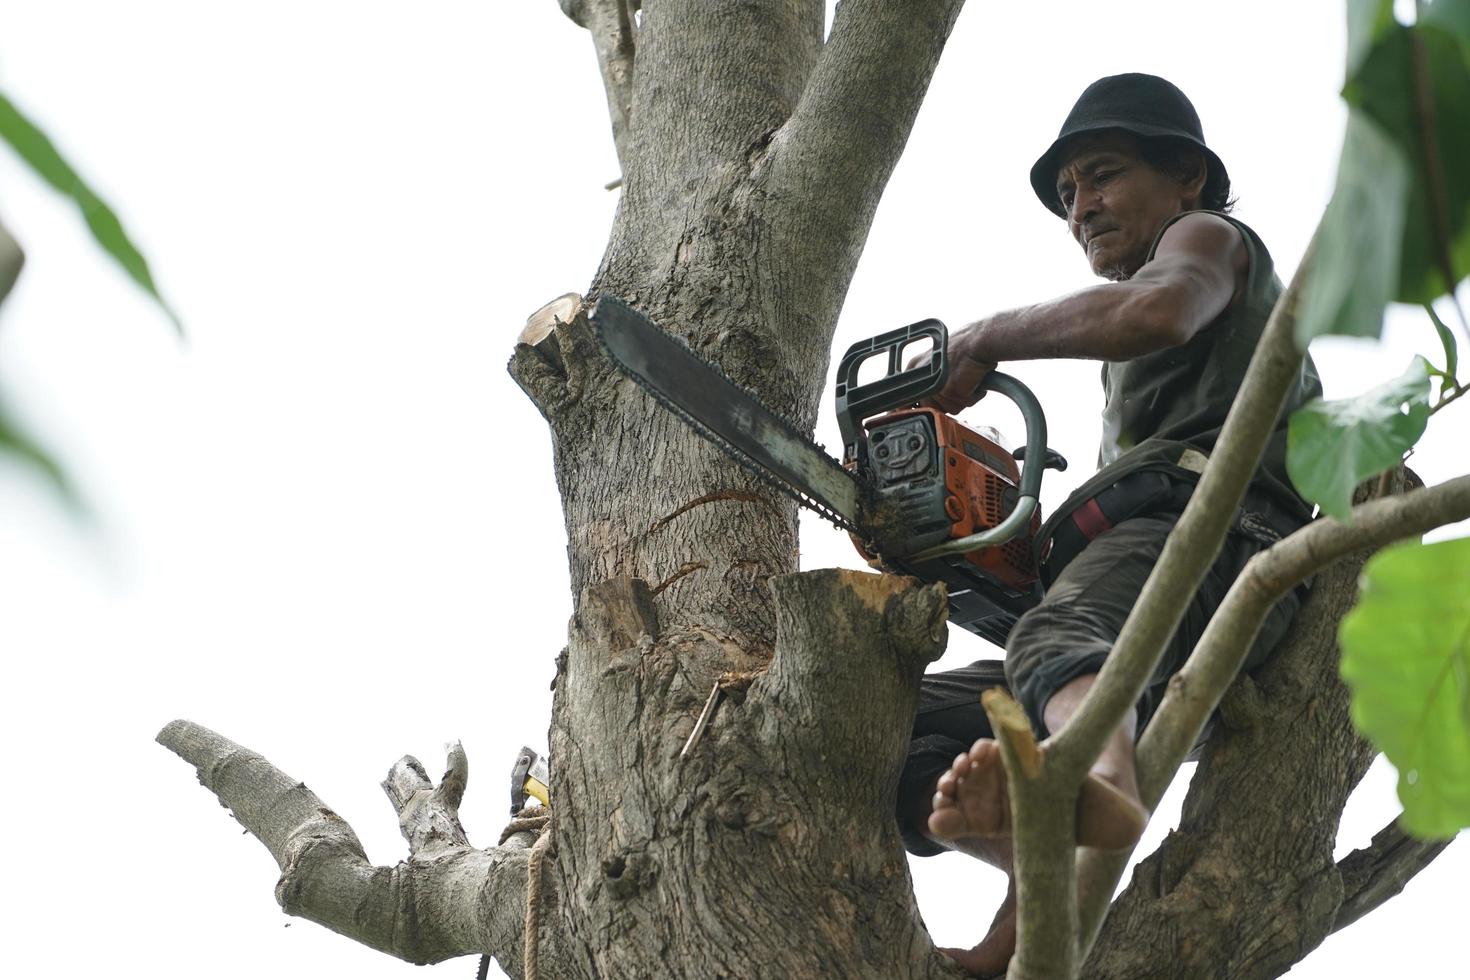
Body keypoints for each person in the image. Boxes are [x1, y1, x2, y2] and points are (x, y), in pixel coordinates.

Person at [893, 73, 1321, 977]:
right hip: (1130, 613)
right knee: (892, 719)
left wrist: (984, 337)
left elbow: (1160, 310)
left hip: (1220, 545)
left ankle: (1095, 777)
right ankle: (1025, 899)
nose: (1081, 207)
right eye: (1068, 196)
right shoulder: (1125, 371)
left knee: (1055, 636)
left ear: (1187, 178)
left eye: (1102, 176)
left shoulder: (1206, 242)